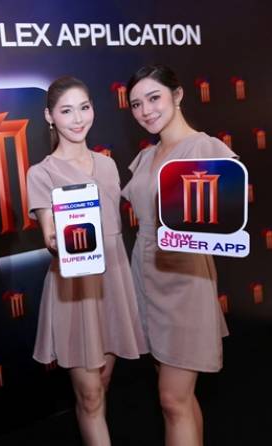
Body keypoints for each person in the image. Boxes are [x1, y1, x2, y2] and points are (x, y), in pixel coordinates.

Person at [27, 76, 147, 446]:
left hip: (113, 282)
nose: (78, 119)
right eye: (66, 111)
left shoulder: (108, 165)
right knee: (91, 394)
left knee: (103, 384)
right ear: (50, 117)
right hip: (75, 287)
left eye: (84, 107)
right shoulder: (42, 172)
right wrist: (59, 242)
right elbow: (49, 235)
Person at [122, 64, 236, 446]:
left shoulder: (203, 148)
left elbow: (223, 217)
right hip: (145, 275)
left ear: (178, 94)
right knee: (180, 401)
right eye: (136, 104)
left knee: (172, 399)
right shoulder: (146, 156)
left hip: (185, 281)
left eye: (153, 98)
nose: (145, 111)